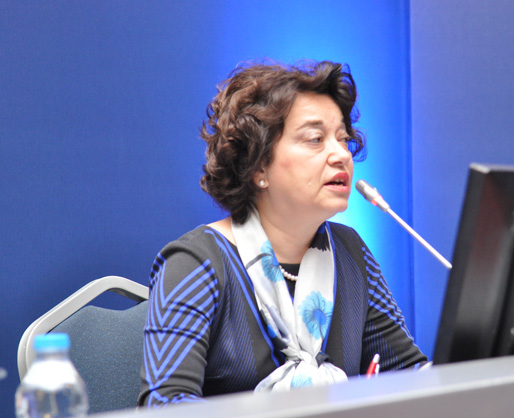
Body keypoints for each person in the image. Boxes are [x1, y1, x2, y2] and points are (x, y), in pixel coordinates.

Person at [138, 60, 426, 407]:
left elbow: (412, 377)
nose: (341, 155)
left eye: (343, 139)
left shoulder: (350, 251)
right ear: (258, 166)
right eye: (315, 139)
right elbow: (165, 405)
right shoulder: (195, 263)